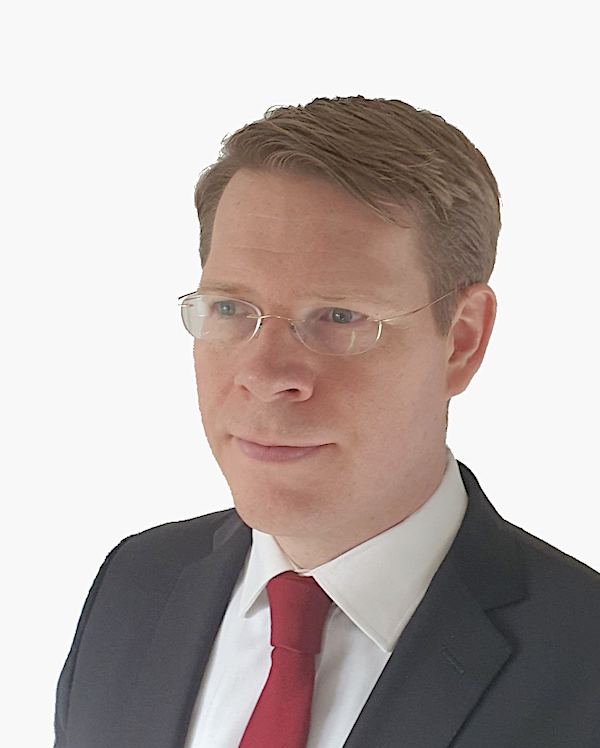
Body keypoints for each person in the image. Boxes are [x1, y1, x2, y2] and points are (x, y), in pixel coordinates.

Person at [54, 96, 600, 748]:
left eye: (339, 317)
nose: (264, 374)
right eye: (229, 308)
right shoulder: (134, 585)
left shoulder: (583, 659)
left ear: (461, 340)